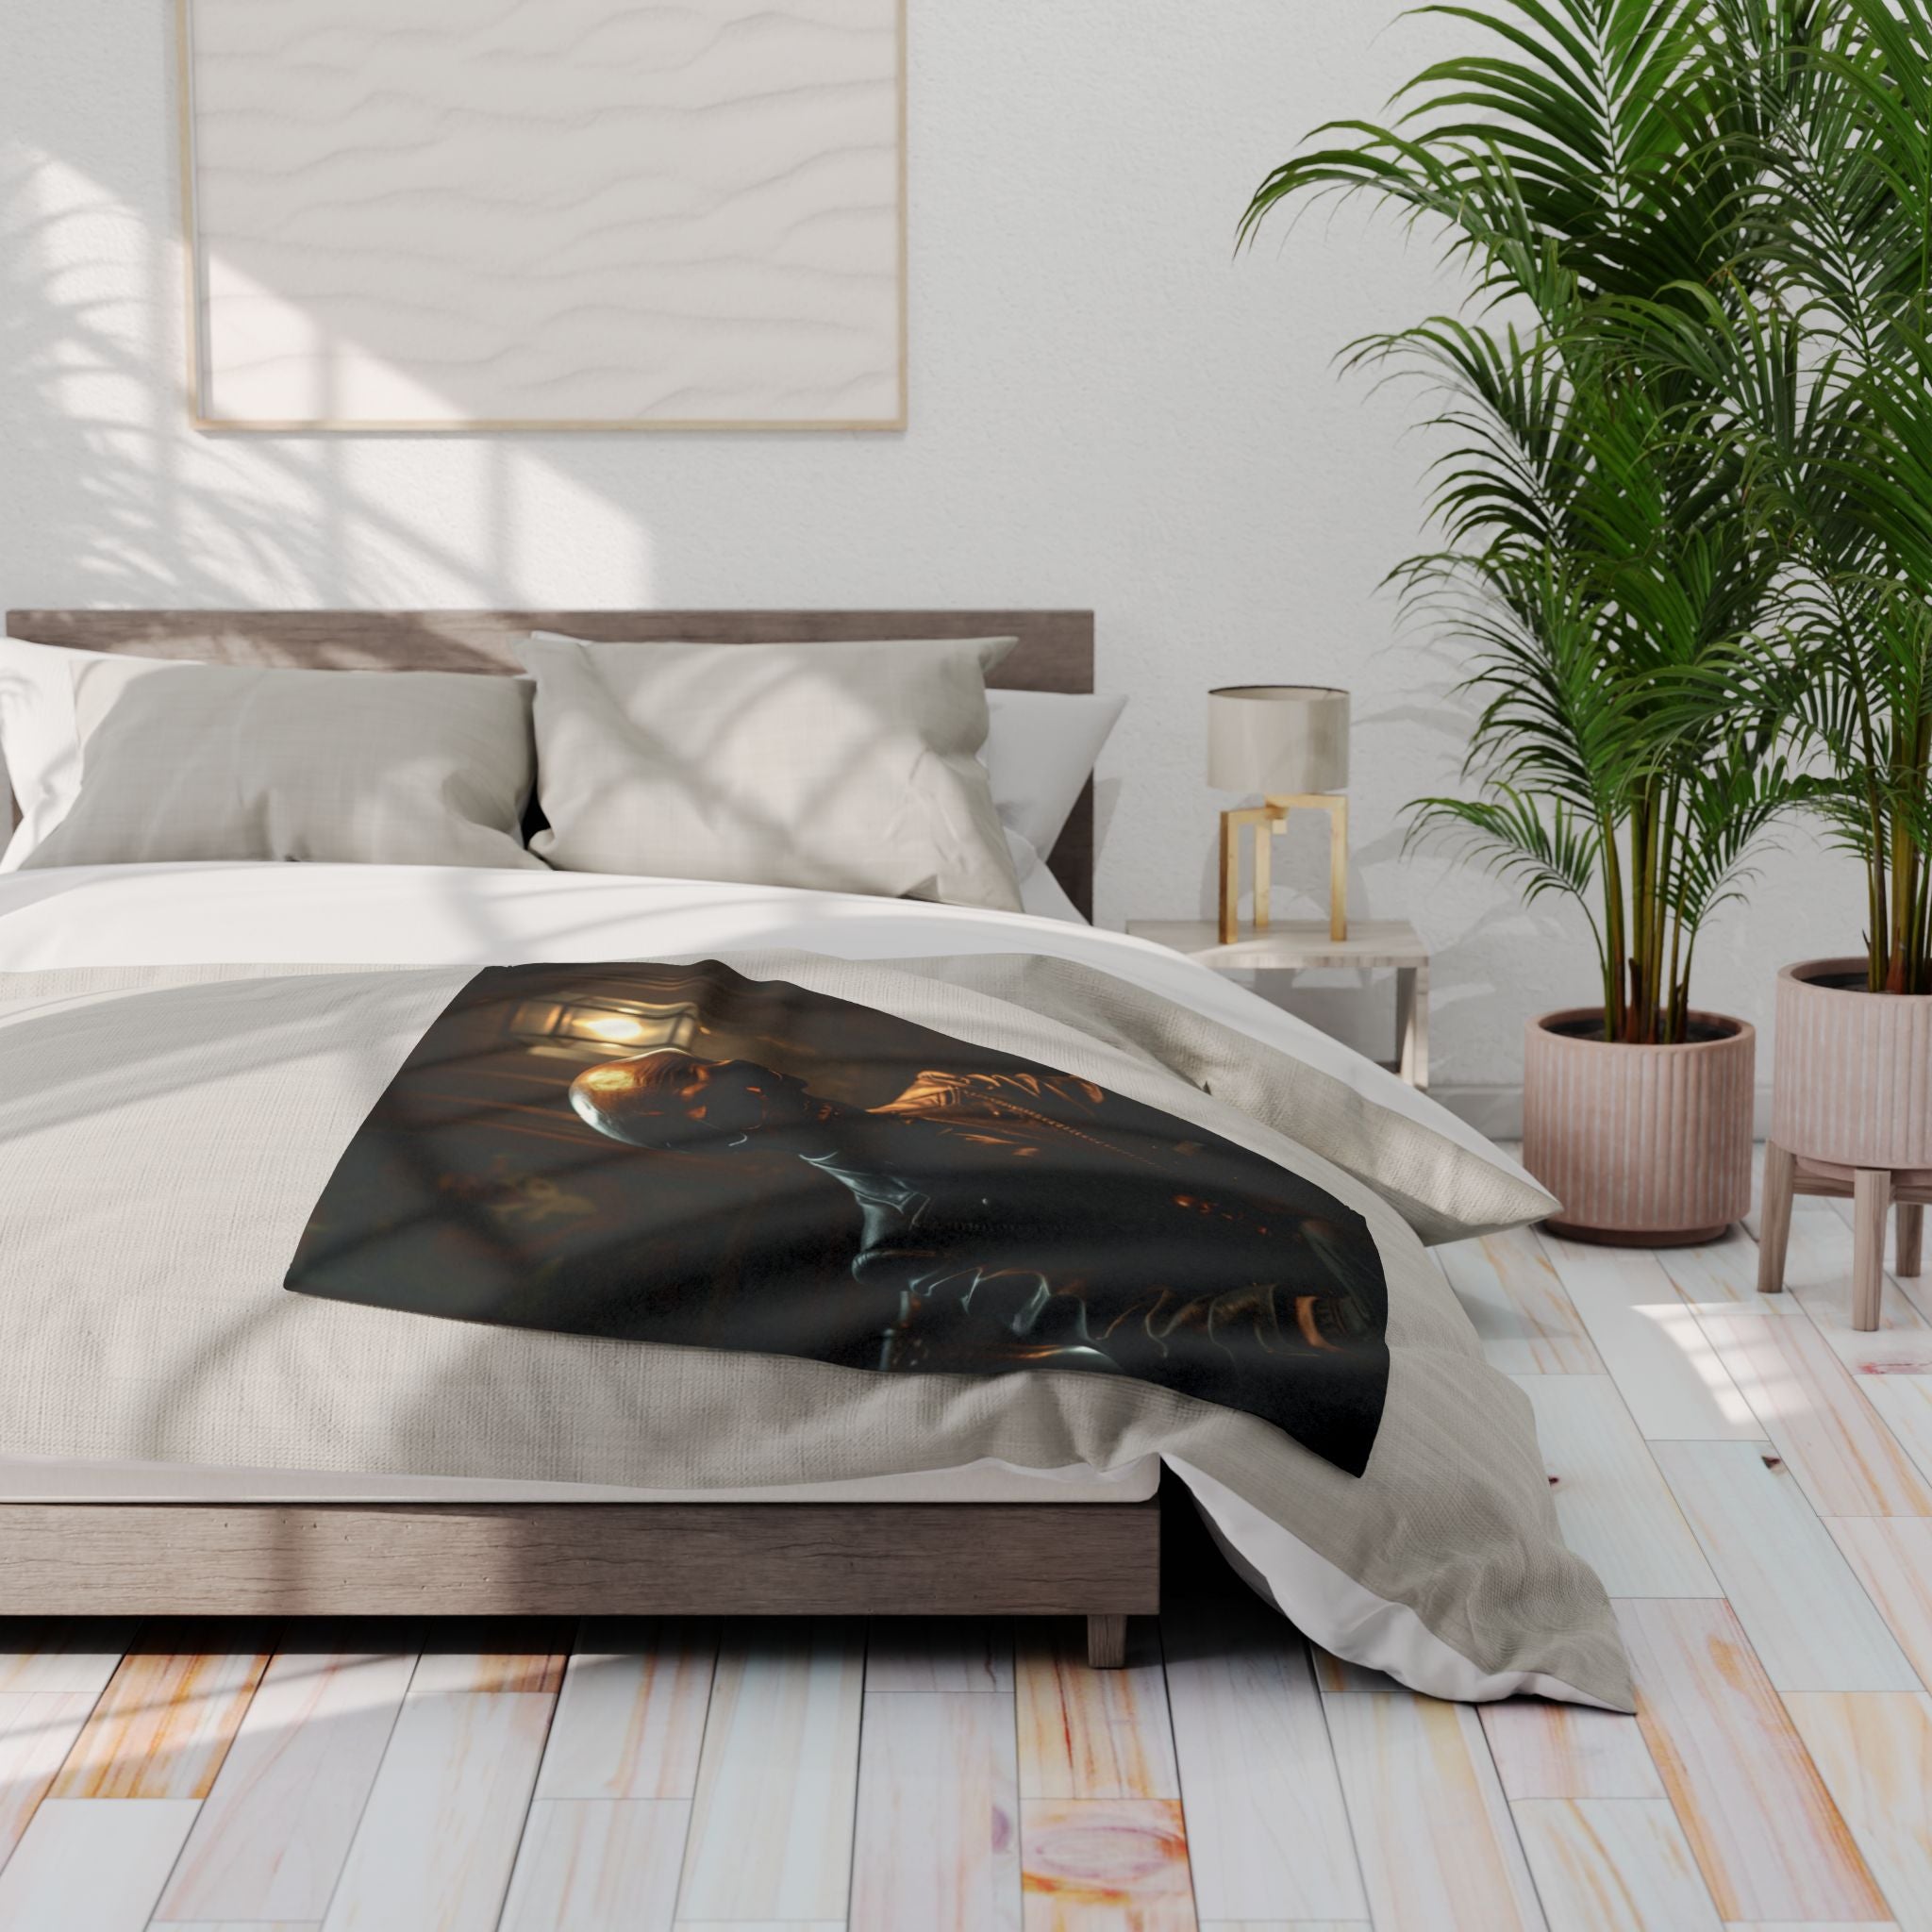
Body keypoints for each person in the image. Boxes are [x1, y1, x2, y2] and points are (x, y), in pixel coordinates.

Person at [569, 1048, 1385, 1424]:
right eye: (686, 1110)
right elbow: (1132, 1325)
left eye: (688, 1071)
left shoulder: (966, 1083)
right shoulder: (906, 1253)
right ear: (702, 1149)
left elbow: (1177, 1125)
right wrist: (1315, 1320)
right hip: (1316, 1303)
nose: (720, 1086)